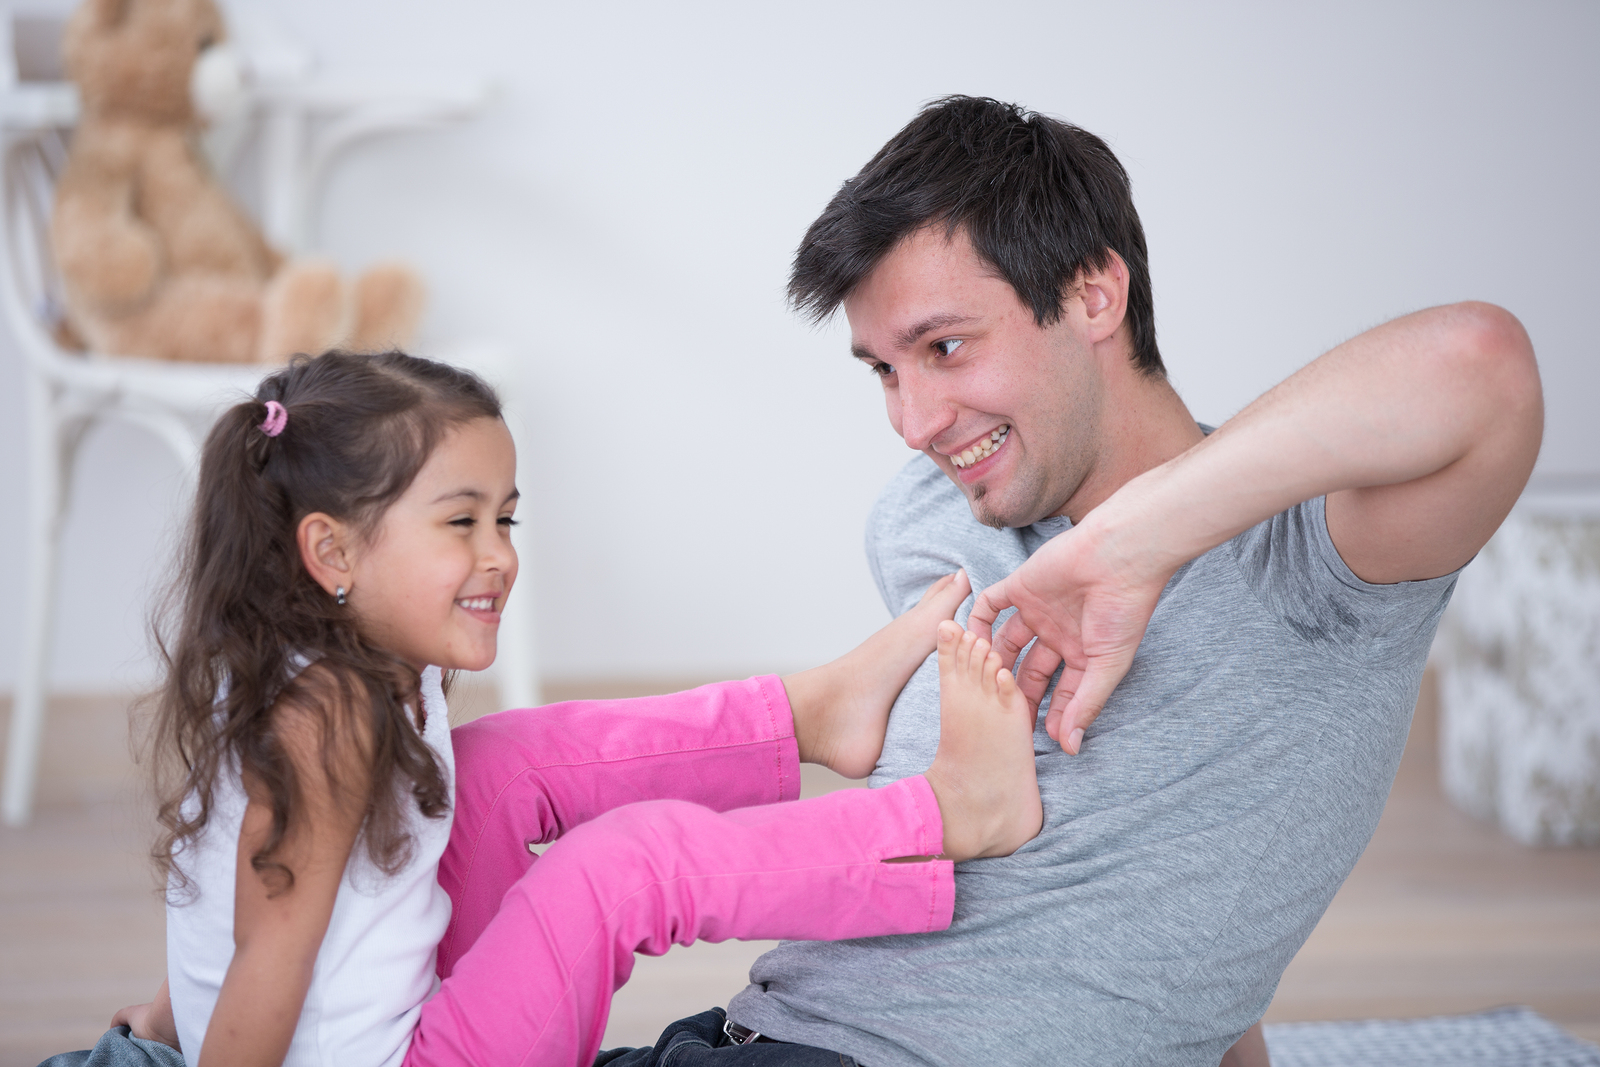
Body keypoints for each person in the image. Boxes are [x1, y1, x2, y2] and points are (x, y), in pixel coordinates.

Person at [605, 97, 1542, 1066]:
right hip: (745, 1035)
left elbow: (1481, 364)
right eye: (883, 369)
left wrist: (1132, 543)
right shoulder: (925, 522)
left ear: (1095, 295)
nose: (915, 421)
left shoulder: (1311, 559)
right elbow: (1136, 891)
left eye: (944, 346)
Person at [85, 350, 1047, 1067]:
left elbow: (242, 899)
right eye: (459, 522)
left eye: (504, 517)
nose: (499, 553)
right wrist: (187, 1036)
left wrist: (168, 1013)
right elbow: (265, 954)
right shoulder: (324, 717)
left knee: (500, 765)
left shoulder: (355, 658)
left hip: (406, 1027)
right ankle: (944, 815)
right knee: (618, 870)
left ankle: (814, 713)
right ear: (332, 553)